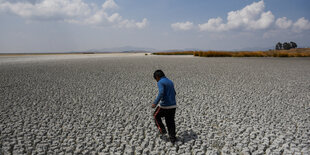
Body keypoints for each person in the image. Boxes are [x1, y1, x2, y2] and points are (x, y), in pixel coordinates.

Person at [152, 70, 177, 143]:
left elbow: (161, 92)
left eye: (155, 79)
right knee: (170, 121)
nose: (156, 81)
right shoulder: (170, 81)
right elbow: (174, 93)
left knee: (155, 116)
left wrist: (155, 103)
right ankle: (172, 138)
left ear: (157, 77)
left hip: (164, 106)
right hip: (173, 105)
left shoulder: (160, 82)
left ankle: (162, 130)